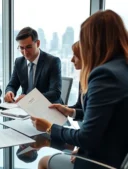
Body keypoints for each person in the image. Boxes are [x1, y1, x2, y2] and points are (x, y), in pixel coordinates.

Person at [33, 10, 128, 169]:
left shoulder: (104, 75)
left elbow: (86, 138)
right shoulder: (122, 67)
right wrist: (72, 112)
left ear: (94, 42)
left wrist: (50, 127)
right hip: (116, 152)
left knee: (43, 161)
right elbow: (107, 115)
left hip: (104, 162)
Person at [4, 27, 62, 104]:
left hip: (48, 106)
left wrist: (29, 98)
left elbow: (55, 93)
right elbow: (12, 85)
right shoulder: (19, 62)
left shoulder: (52, 62)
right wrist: (9, 92)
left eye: (28, 47)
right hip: (25, 107)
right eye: (21, 48)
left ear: (38, 43)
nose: (25, 52)